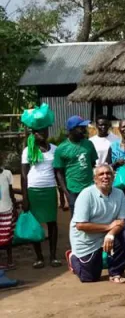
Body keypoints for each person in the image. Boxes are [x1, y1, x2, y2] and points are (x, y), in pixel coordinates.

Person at [66, 164, 125, 283]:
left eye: (108, 173)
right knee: (89, 278)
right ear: (95, 179)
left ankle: (116, 272)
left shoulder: (119, 194)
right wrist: (108, 227)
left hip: (106, 235)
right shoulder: (86, 195)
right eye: (101, 174)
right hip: (87, 240)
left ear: (113, 177)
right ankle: (73, 258)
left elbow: (121, 221)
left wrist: (110, 234)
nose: (105, 176)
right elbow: (80, 225)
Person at [21, 127, 61, 268]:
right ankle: (39, 258)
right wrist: (25, 197)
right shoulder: (28, 150)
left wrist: (62, 194)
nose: (42, 134)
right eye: (38, 132)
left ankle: (53, 256)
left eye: (44, 131)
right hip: (33, 190)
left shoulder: (55, 149)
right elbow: (24, 175)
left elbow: (57, 173)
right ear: (33, 134)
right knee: (35, 224)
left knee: (52, 223)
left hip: (50, 189)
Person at [54, 116, 98, 215]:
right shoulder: (61, 149)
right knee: (77, 221)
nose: (84, 130)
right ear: (72, 129)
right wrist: (66, 193)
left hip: (90, 188)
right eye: (81, 128)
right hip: (73, 190)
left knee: (93, 217)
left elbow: (92, 164)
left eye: (84, 127)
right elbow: (59, 173)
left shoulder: (89, 144)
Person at [0, 161, 15, 270]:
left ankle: (10, 259)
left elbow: (11, 192)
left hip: (7, 209)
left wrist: (14, 206)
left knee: (8, 237)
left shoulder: (7, 173)